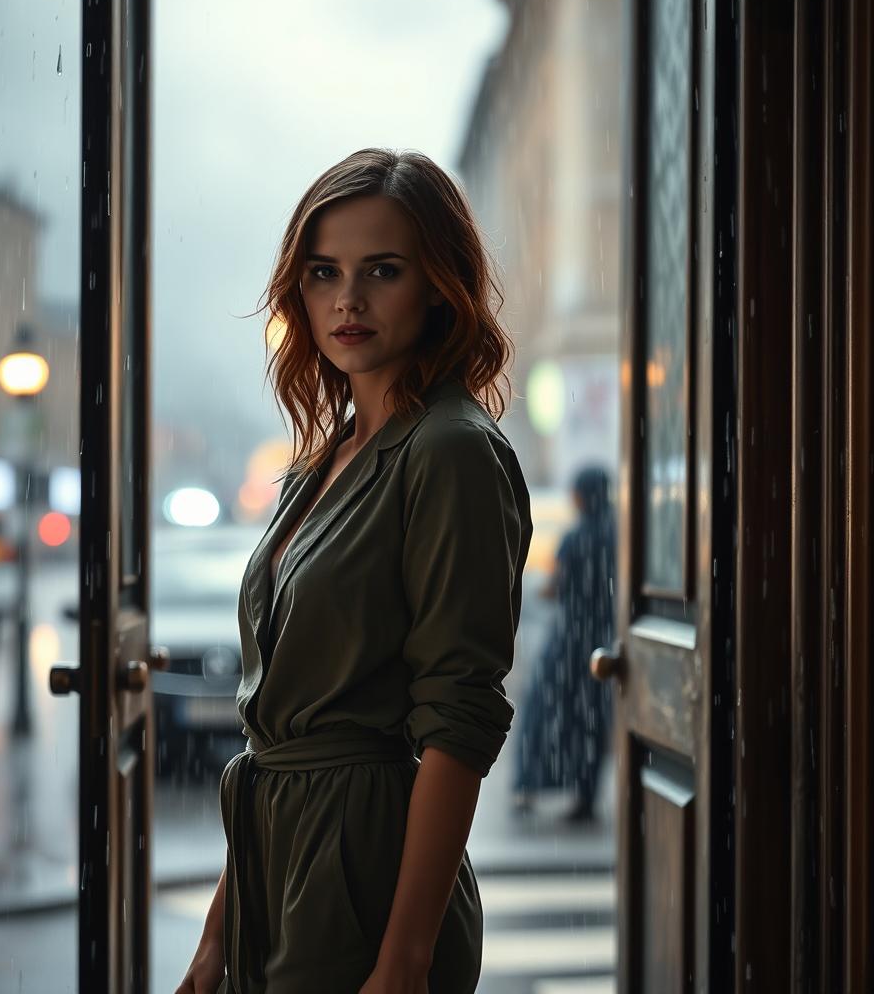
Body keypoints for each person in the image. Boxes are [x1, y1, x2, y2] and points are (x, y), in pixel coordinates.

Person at [175, 148, 533, 994]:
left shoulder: (451, 451)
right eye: (323, 272)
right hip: (276, 866)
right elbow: (280, 740)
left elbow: (459, 718)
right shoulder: (319, 461)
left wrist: (404, 961)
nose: (347, 300)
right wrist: (218, 934)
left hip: (367, 873)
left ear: (439, 285)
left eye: (383, 270)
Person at [511, 464, 616, 823]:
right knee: (590, 720)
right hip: (601, 639)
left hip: (569, 639)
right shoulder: (617, 535)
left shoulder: (575, 538)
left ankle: (529, 787)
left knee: (546, 712)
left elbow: (553, 587)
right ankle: (585, 795)